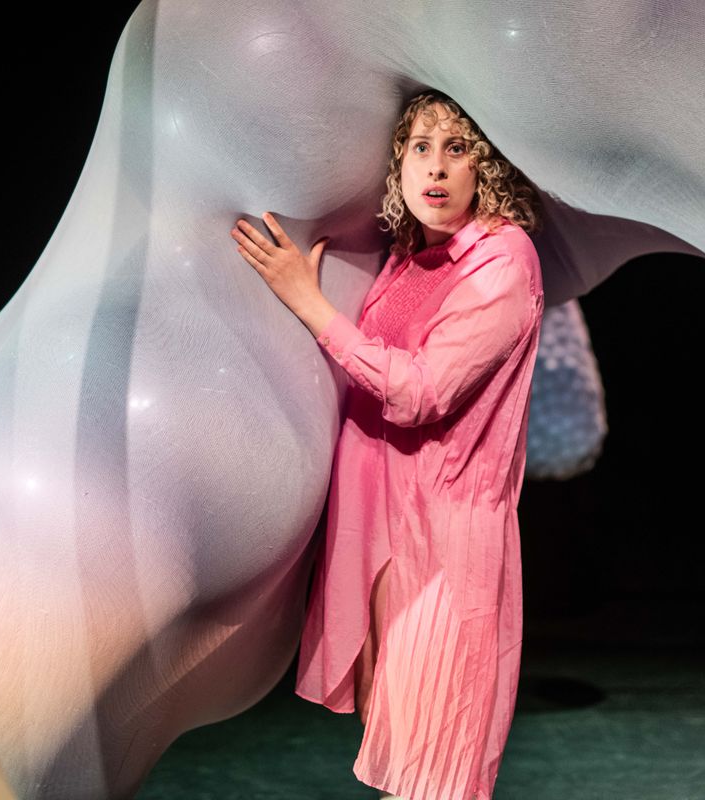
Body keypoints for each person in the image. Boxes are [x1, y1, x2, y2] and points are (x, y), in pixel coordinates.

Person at [232, 91, 543, 800]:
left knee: (435, 772)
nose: (436, 168)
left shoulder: (502, 262)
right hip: (381, 538)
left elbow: (421, 392)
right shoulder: (410, 255)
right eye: (420, 148)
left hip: (444, 552)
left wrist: (307, 300)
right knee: (398, 759)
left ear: (485, 166)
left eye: (457, 149)